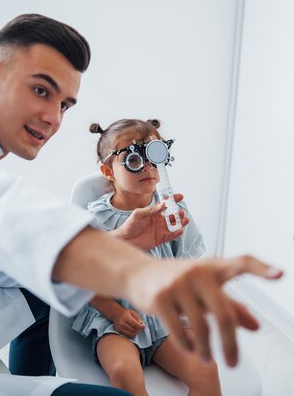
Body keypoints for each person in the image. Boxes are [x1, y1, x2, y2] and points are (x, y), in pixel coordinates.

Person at [0, 13, 282, 396]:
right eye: (41, 91)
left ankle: (32, 377)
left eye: (65, 103)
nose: (53, 117)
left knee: (39, 285)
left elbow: (3, 253)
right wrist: (138, 271)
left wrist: (122, 239)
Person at [70, 118, 221, 396]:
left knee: (205, 366)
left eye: (154, 156)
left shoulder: (172, 209)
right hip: (115, 323)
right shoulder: (95, 219)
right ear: (108, 171)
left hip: (163, 318)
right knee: (124, 371)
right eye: (134, 160)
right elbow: (81, 279)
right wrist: (115, 313)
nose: (148, 168)